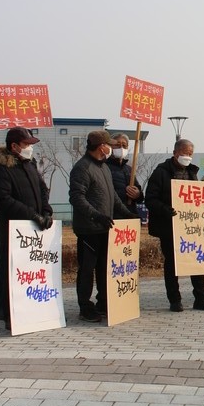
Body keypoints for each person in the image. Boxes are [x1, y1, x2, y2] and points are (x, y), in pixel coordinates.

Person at [69, 129, 138, 323]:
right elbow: (76, 197)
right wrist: (96, 215)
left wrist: (127, 213)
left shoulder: (103, 167)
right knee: (87, 269)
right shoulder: (82, 168)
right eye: (110, 144)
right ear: (102, 147)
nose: (112, 147)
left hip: (105, 227)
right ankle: (85, 306)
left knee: (103, 268)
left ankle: (103, 302)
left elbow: (113, 197)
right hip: (89, 229)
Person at [145, 138, 204, 313]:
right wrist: (165, 209)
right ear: (175, 153)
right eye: (184, 153)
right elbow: (150, 199)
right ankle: (175, 300)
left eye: (190, 154)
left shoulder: (192, 173)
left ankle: (201, 299)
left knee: (197, 262)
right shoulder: (161, 172)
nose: (187, 157)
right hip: (168, 227)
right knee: (172, 265)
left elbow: (197, 198)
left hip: (190, 226)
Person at [0, 127, 54, 332]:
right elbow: (3, 199)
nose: (30, 148)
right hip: (14, 230)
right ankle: (11, 316)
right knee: (12, 274)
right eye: (27, 144)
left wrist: (46, 211)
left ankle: (33, 313)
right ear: (14, 146)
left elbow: (42, 189)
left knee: (31, 272)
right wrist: (32, 215)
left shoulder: (30, 165)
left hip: (35, 230)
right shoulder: (1, 168)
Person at [107, 134, 144, 209]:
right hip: (112, 212)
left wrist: (138, 194)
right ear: (110, 146)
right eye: (117, 145)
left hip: (130, 212)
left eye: (124, 145)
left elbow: (139, 193)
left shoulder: (129, 169)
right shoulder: (104, 167)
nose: (121, 148)